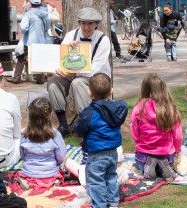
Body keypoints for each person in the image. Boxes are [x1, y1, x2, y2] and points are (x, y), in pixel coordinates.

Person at [47, 7, 111, 137]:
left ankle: (86, 124)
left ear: (96, 24)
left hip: (97, 77)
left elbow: (95, 68)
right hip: (72, 74)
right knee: (53, 83)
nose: (86, 27)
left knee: (78, 83)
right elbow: (62, 57)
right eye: (83, 23)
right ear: (79, 23)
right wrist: (61, 67)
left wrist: (73, 73)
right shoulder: (71, 35)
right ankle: (63, 125)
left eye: (90, 23)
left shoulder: (103, 40)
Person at [74, 73, 128, 208]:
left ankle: (100, 204)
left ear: (89, 92)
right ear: (111, 91)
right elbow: (123, 105)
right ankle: (113, 202)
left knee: (95, 180)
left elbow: (79, 128)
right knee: (111, 177)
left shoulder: (89, 113)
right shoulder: (117, 109)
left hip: (96, 153)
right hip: (112, 152)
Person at [130, 73, 182, 181]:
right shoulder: (171, 109)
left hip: (144, 155)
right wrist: (177, 150)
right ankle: (163, 165)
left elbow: (135, 132)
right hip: (167, 154)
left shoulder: (139, 108)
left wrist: (141, 142)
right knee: (166, 159)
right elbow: (177, 136)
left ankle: (150, 165)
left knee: (142, 161)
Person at [15, 97, 67, 192]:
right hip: (50, 173)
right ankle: (53, 182)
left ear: (30, 115)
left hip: (29, 173)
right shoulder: (55, 134)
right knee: (64, 169)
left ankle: (27, 182)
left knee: (22, 174)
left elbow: (23, 155)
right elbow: (61, 156)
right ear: (50, 114)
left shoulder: (24, 133)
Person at [7, 0, 51, 84]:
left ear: (31, 4)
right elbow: (46, 28)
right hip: (41, 40)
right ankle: (40, 79)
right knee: (38, 59)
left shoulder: (29, 14)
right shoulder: (45, 14)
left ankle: (16, 78)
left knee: (21, 57)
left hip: (30, 40)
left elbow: (24, 28)